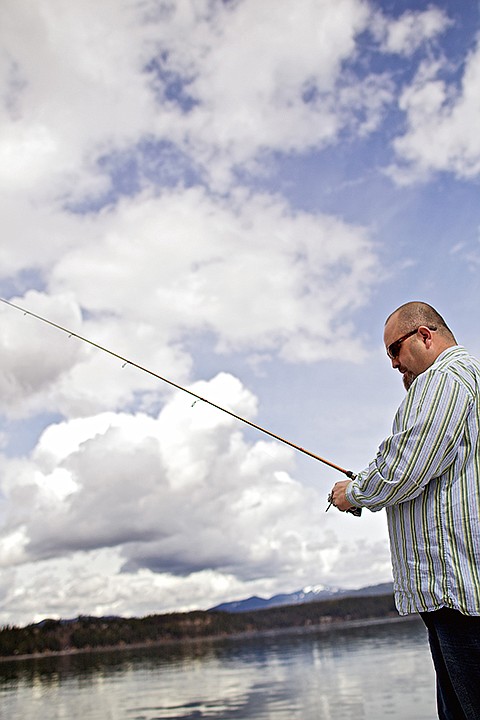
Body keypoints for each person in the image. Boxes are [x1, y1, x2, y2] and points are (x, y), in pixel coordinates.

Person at [330, 301, 480, 720]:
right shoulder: (470, 380)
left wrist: (353, 492)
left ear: (425, 336)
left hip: (460, 598)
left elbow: (403, 467)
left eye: (395, 351)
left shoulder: (444, 379)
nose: (394, 365)